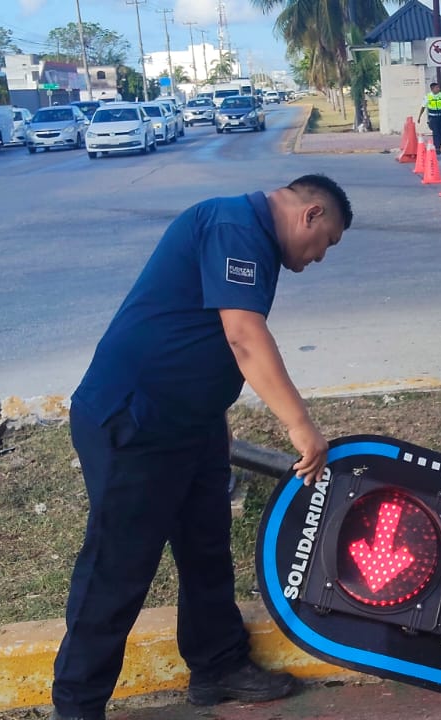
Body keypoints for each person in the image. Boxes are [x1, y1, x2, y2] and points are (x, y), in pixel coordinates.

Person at [50, 174, 355, 720]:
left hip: (190, 425)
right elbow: (241, 334)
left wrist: (214, 414)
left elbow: (195, 331)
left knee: (206, 548)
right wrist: (301, 424)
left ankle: (217, 666)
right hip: (134, 422)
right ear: (310, 214)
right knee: (118, 570)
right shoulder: (234, 226)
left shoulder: (249, 236)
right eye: (326, 241)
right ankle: (76, 707)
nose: (319, 258)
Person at [416, 81, 441, 153]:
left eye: (438, 87)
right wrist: (419, 117)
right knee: (436, 132)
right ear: (432, 89)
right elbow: (423, 107)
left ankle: (438, 146)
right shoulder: (428, 96)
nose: (438, 88)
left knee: (440, 132)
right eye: (437, 87)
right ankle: (437, 147)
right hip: (433, 117)